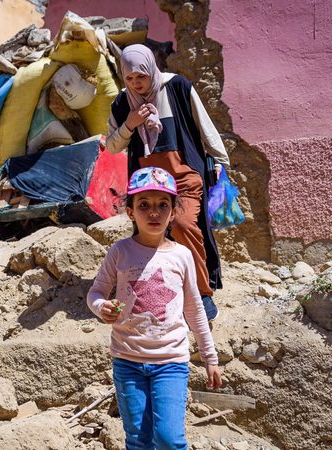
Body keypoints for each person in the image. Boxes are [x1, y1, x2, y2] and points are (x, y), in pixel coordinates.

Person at [87, 167, 222, 450]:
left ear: (174, 211)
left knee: (169, 439)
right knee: (138, 439)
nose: (154, 212)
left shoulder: (182, 255)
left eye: (163, 205)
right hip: (127, 361)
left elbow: (195, 309)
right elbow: (96, 292)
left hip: (171, 363)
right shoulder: (120, 252)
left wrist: (210, 358)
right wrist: (102, 307)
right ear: (130, 211)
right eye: (144, 204)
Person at [106, 44, 230, 321]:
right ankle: (163, 289)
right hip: (148, 184)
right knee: (152, 235)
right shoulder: (122, 103)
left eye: (141, 76)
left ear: (151, 69)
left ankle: (202, 293)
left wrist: (220, 161)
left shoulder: (176, 87)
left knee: (183, 225)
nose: (136, 83)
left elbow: (203, 124)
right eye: (130, 78)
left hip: (184, 176)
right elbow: (113, 146)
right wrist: (130, 123)